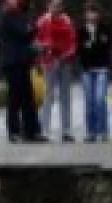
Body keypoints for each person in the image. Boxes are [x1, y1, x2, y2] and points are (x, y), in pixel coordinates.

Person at [0, 0, 45, 142]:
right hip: (12, 62)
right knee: (15, 97)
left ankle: (31, 131)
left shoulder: (20, 15)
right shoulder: (7, 17)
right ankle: (13, 131)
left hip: (23, 61)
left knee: (28, 97)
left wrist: (33, 29)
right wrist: (33, 26)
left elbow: (28, 36)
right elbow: (23, 33)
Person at [35, 0, 77, 142]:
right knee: (49, 95)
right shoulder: (42, 21)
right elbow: (36, 41)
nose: (56, 8)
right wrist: (44, 48)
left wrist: (68, 53)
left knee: (65, 96)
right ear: (48, 6)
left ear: (62, 7)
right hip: (49, 61)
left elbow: (72, 40)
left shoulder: (67, 20)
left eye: (59, 5)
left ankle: (66, 130)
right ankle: (45, 129)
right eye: (53, 5)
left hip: (65, 61)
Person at [77, 2, 112, 142]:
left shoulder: (105, 29)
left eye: (94, 12)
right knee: (89, 101)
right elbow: (80, 50)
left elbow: (105, 46)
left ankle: (103, 130)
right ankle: (91, 132)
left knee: (99, 99)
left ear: (99, 14)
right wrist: (92, 45)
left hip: (102, 68)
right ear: (85, 14)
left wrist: (92, 44)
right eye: (89, 12)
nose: (92, 15)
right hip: (87, 69)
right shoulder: (81, 31)